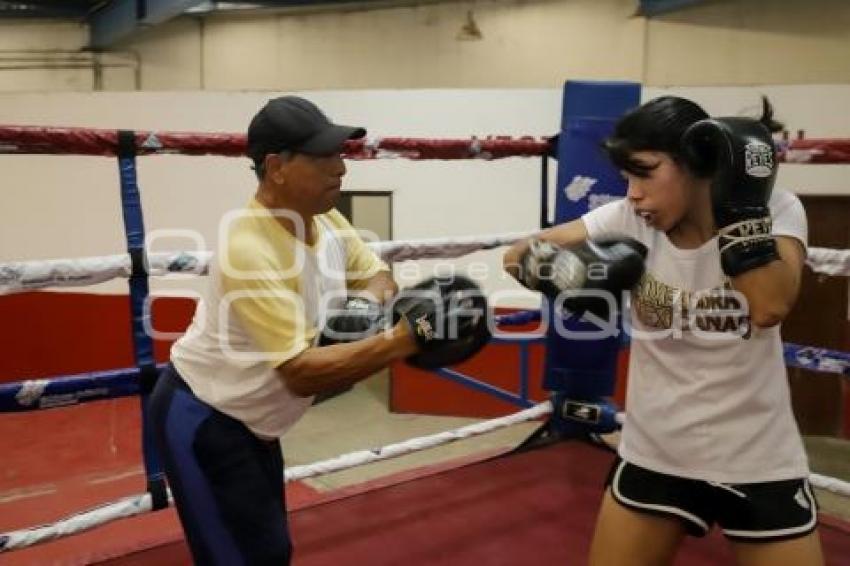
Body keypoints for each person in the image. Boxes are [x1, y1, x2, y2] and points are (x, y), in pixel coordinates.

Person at [150, 96, 488, 565]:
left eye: (341, 154)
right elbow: (300, 373)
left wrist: (363, 307)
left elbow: (377, 274)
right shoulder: (250, 246)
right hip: (205, 417)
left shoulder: (326, 219)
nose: (341, 169)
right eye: (324, 157)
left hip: (256, 423)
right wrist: (405, 338)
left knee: (271, 551)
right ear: (276, 167)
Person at [504, 96, 823, 565]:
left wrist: (739, 212)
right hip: (657, 451)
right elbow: (516, 254)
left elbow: (770, 306)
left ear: (697, 166)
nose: (632, 192)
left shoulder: (774, 209)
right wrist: (563, 272)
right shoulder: (628, 220)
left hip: (757, 456)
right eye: (627, 177)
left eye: (645, 172)